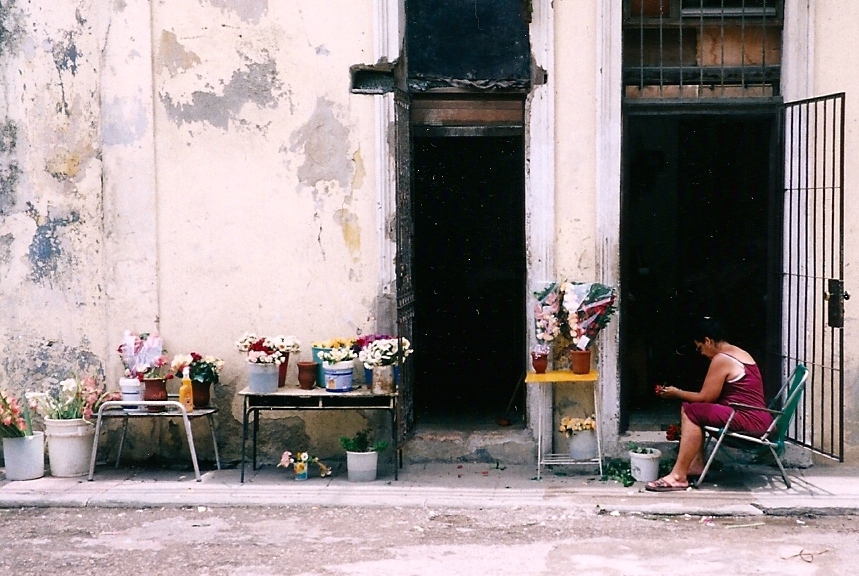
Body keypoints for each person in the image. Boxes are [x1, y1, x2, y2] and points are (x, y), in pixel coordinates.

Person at [645, 317, 773, 492]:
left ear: (708, 341)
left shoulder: (722, 359)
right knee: (692, 408)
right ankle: (695, 465)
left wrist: (676, 393)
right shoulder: (739, 353)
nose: (702, 353)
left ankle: (678, 477)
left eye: (700, 347)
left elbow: (705, 398)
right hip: (758, 419)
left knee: (692, 410)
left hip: (749, 421)